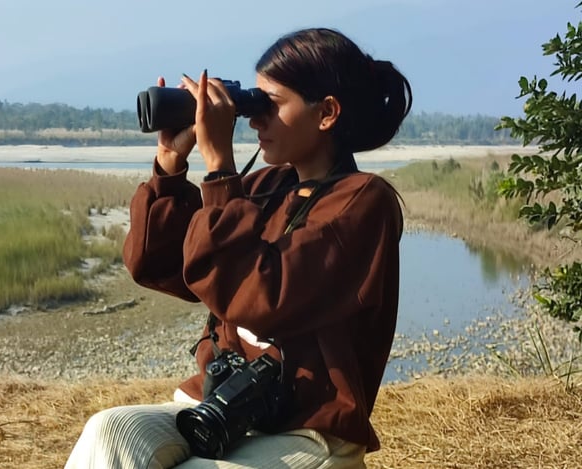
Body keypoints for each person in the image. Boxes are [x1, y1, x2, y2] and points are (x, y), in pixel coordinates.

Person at [65, 27, 411, 469]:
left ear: (326, 112)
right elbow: (166, 264)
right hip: (223, 409)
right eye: (253, 101)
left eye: (272, 104)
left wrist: (221, 170)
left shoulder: (363, 202)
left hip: (307, 430)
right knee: (108, 433)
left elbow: (259, 296)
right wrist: (171, 166)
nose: (254, 118)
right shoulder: (266, 187)